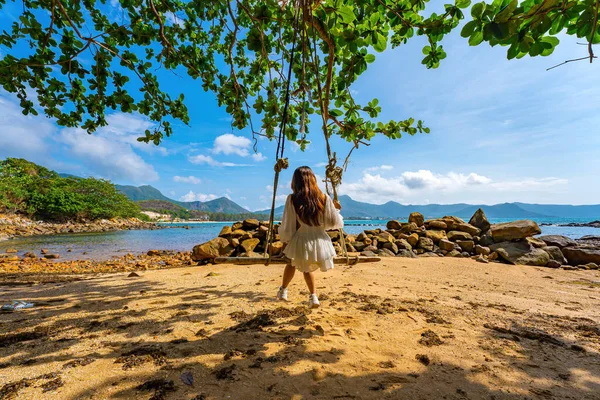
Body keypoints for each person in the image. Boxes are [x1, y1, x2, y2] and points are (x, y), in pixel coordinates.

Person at [276, 166, 344, 308]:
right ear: (313, 179)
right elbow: (333, 222)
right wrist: (335, 208)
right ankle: (313, 297)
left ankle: (283, 291)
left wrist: (285, 240)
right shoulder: (324, 198)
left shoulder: (293, 199)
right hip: (321, 240)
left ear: (296, 181)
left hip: (303, 237)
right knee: (307, 268)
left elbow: (288, 223)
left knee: (291, 263)